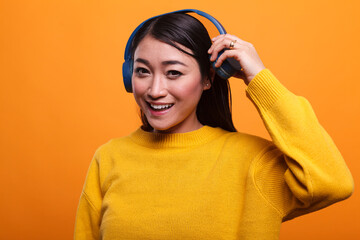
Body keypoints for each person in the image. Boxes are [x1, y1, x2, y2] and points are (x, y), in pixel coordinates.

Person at [74, 11, 354, 240]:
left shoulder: (254, 163)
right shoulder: (108, 159)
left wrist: (258, 77)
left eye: (174, 72)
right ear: (128, 76)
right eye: (143, 71)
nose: (155, 90)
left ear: (208, 78)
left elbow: (334, 183)